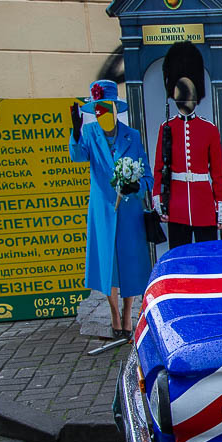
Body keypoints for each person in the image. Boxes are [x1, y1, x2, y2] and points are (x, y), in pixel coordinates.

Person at [69, 80, 152, 340]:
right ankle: (114, 314)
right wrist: (75, 131)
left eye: (104, 107)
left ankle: (128, 315)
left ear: (114, 108)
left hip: (128, 212)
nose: (100, 113)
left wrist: (137, 186)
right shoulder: (90, 135)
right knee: (108, 264)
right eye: (96, 109)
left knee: (128, 263)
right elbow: (78, 157)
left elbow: (147, 176)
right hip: (103, 212)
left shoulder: (132, 135)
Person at [154, 41, 222, 248]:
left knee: (208, 256)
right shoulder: (166, 127)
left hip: (203, 203)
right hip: (176, 204)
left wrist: (220, 206)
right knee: (180, 256)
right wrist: (159, 200)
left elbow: (218, 173)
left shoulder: (209, 129)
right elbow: (159, 167)